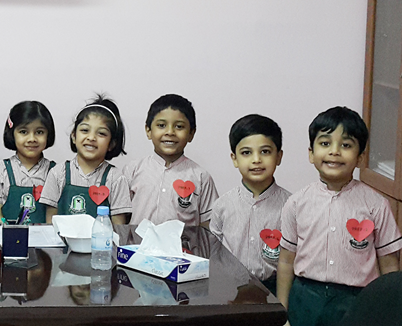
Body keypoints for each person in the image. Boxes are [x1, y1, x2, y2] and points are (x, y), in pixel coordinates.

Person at [276, 107, 402, 326]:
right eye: (325, 143)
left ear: (360, 157)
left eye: (346, 145)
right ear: (311, 153)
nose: (334, 151)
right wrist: (282, 313)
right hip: (305, 298)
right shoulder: (296, 203)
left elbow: (389, 265)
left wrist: (388, 313)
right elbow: (286, 261)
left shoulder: (376, 205)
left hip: (357, 300)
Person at [209, 114, 291, 295]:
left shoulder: (291, 206)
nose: (256, 160)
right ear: (234, 158)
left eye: (265, 152)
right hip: (229, 289)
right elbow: (214, 254)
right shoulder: (223, 205)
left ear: (279, 156)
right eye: (246, 153)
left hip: (273, 289)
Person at [124, 94, 217, 227]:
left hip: (183, 242)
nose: (170, 132)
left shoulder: (201, 177)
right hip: (137, 241)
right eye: (161, 125)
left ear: (191, 133)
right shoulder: (133, 170)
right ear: (148, 130)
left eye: (179, 127)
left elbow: (207, 224)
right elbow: (121, 217)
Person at [40, 96, 132, 224]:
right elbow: (50, 222)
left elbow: (119, 227)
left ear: (111, 144)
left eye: (101, 133)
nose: (91, 137)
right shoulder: (58, 173)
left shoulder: (116, 179)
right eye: (85, 130)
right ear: (73, 136)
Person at [0, 101, 56, 224]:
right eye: (23, 132)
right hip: (8, 233)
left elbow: (54, 218)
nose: (32, 139)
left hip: (46, 234)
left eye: (39, 132)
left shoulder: (56, 172)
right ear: (12, 134)